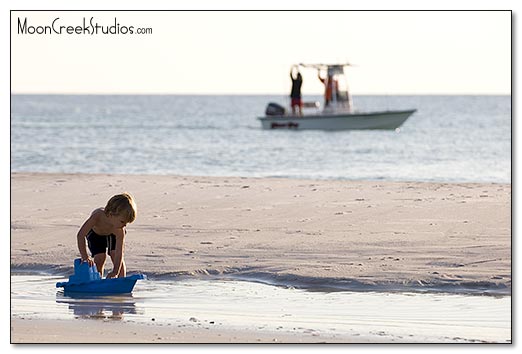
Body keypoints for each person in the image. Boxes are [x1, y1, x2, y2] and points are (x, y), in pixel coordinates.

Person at [76, 193, 137, 278]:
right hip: (95, 233)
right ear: (111, 214)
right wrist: (85, 257)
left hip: (112, 234)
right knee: (99, 258)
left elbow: (120, 252)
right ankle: (98, 279)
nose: (125, 225)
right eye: (123, 221)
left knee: (115, 254)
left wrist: (115, 272)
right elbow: (80, 235)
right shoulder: (97, 216)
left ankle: (121, 279)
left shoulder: (119, 229)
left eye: (127, 222)